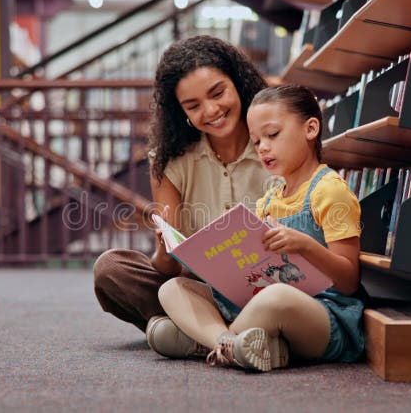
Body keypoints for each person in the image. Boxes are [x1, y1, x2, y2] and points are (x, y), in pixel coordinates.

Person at [151, 84, 368, 372]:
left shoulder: (330, 191)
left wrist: (305, 245)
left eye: (273, 135)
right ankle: (233, 343)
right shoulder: (268, 201)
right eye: (256, 141)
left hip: (322, 315)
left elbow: (349, 281)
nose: (263, 147)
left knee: (276, 298)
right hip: (258, 305)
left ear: (311, 128)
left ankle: (204, 343)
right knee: (172, 288)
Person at [92, 35, 271, 343]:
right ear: (181, 112)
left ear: (237, 83)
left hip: (267, 285)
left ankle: (194, 336)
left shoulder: (274, 139)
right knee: (111, 269)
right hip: (197, 289)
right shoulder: (170, 162)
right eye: (193, 106)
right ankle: (230, 334)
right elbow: (168, 267)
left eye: (218, 93)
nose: (212, 110)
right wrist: (164, 250)